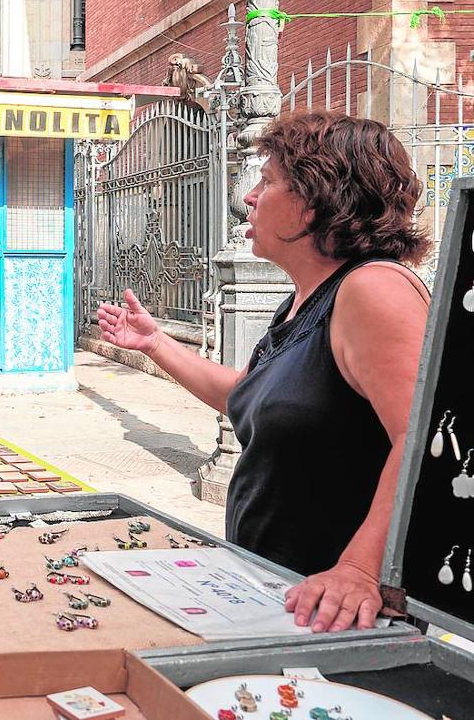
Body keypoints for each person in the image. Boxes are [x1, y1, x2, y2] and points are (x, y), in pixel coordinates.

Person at [97, 111, 430, 634]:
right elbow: (244, 397)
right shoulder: (300, 302)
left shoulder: (374, 290)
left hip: (338, 609)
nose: (250, 197)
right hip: (278, 591)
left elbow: (420, 440)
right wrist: (157, 344)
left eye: (268, 181)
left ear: (318, 199)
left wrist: (359, 568)